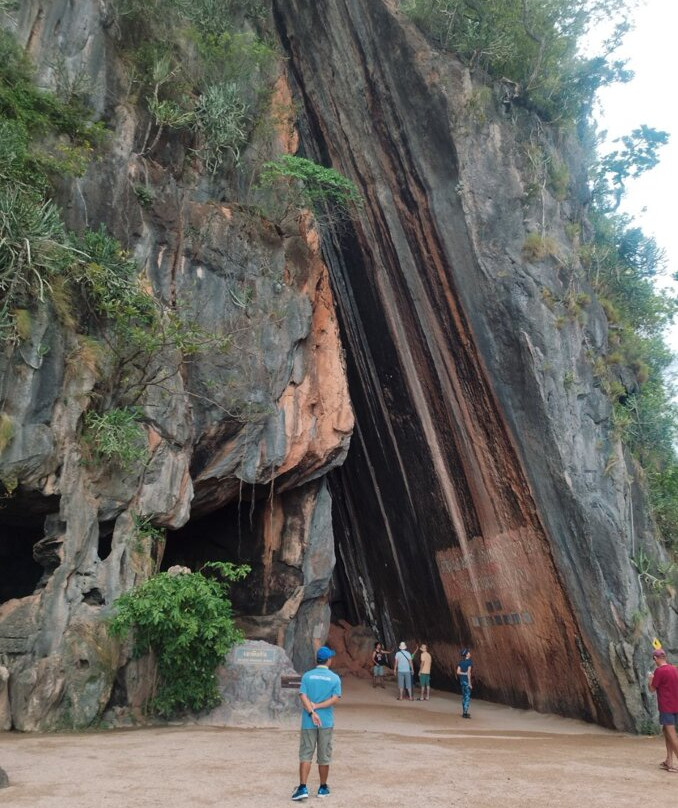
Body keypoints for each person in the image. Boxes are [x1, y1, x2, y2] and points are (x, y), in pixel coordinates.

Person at [292, 646, 342, 800]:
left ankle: (302, 788)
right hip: (326, 722)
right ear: (328, 660)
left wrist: (312, 712)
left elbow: (302, 695)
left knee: (306, 754)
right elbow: (335, 699)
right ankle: (322, 788)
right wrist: (318, 708)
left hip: (308, 721)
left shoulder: (307, 676)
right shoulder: (334, 678)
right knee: (324, 755)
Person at [648, 647, 678, 773]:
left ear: (655, 658)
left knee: (672, 735)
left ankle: (674, 761)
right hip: (675, 705)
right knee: (666, 732)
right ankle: (669, 761)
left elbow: (652, 689)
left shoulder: (659, 671)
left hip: (666, 707)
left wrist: (650, 679)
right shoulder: (674, 669)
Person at [456, 648, 473, 718]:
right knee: (467, 697)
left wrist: (463, 673)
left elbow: (458, 672)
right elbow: (468, 673)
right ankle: (465, 713)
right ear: (467, 654)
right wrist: (470, 683)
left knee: (464, 696)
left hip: (462, 681)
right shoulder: (469, 662)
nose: (470, 653)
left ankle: (464, 712)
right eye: (468, 652)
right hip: (466, 681)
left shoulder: (461, 662)